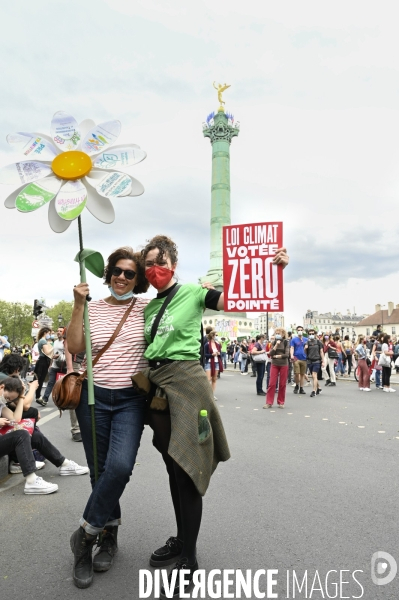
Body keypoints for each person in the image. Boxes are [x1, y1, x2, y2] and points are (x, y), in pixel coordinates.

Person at [132, 235, 288, 597]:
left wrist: (271, 268)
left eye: (159, 262)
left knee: (188, 470)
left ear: (172, 262)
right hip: (157, 386)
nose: (153, 270)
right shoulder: (149, 308)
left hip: (186, 382)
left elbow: (234, 297)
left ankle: (190, 557)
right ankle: (182, 537)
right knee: (174, 468)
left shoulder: (193, 292)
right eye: (148, 265)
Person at [67, 246, 150, 589]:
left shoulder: (149, 306)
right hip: (93, 399)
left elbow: (197, 298)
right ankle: (108, 538)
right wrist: (76, 306)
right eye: (117, 270)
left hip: (131, 400)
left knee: (119, 467)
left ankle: (85, 536)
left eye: (130, 273)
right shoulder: (92, 308)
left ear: (139, 278)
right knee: (100, 472)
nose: (122, 277)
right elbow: (74, 348)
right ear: (108, 272)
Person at [0, 377, 88, 493]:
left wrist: (21, 396)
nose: (6, 400)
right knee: (21, 435)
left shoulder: (1, 403)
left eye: (9, 399)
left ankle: (64, 464)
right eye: (7, 398)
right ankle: (31, 481)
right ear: (2, 387)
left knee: (35, 436)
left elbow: (16, 419)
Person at [37, 326, 66, 407]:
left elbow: (68, 353)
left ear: (64, 332)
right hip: (54, 366)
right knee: (50, 383)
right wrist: (50, 364)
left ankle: (64, 399)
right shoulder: (55, 342)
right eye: (58, 330)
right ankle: (45, 399)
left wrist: (59, 355)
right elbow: (52, 353)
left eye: (61, 331)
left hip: (64, 366)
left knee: (63, 384)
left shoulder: (66, 342)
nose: (58, 332)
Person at [64, 333, 83, 442]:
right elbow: (67, 344)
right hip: (77, 364)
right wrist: (70, 368)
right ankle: (76, 429)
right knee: (74, 396)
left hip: (92, 363)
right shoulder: (77, 320)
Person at [264, 328, 289, 408]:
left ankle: (281, 402)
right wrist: (276, 345)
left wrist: (277, 356)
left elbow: (287, 355)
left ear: (283, 334)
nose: (277, 334)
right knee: (271, 384)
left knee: (282, 384)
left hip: (283, 365)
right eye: (276, 333)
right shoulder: (273, 342)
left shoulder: (286, 342)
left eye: (279, 333)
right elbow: (271, 354)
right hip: (274, 364)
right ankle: (269, 402)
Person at [304, 329, 325, 397]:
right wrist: (305, 348)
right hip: (310, 361)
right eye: (310, 334)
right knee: (314, 377)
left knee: (314, 375)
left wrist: (323, 361)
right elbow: (305, 353)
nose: (311, 335)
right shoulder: (307, 343)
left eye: (312, 334)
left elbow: (321, 352)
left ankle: (314, 391)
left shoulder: (319, 342)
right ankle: (319, 388)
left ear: (315, 334)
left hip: (317, 360)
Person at [34, 327, 52, 403]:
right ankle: (38, 396)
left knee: (39, 378)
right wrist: (52, 347)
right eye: (49, 333)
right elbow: (47, 352)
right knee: (40, 379)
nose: (50, 335)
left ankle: (37, 395)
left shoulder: (41, 340)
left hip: (42, 360)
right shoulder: (43, 341)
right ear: (45, 333)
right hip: (43, 361)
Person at [204, 329, 223, 399]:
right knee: (208, 379)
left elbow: (220, 354)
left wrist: (218, 353)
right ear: (212, 336)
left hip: (216, 362)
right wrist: (211, 355)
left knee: (214, 379)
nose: (216, 336)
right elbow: (205, 355)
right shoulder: (207, 344)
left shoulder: (218, 344)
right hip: (209, 362)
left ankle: (212, 395)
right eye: (216, 335)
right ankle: (207, 394)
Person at [290, 326, 308, 394]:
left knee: (302, 374)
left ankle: (301, 388)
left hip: (304, 358)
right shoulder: (294, 339)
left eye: (301, 330)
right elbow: (292, 348)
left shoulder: (306, 339)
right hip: (296, 358)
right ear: (297, 331)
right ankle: (297, 385)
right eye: (298, 330)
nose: (300, 331)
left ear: (303, 331)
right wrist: (292, 355)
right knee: (297, 373)